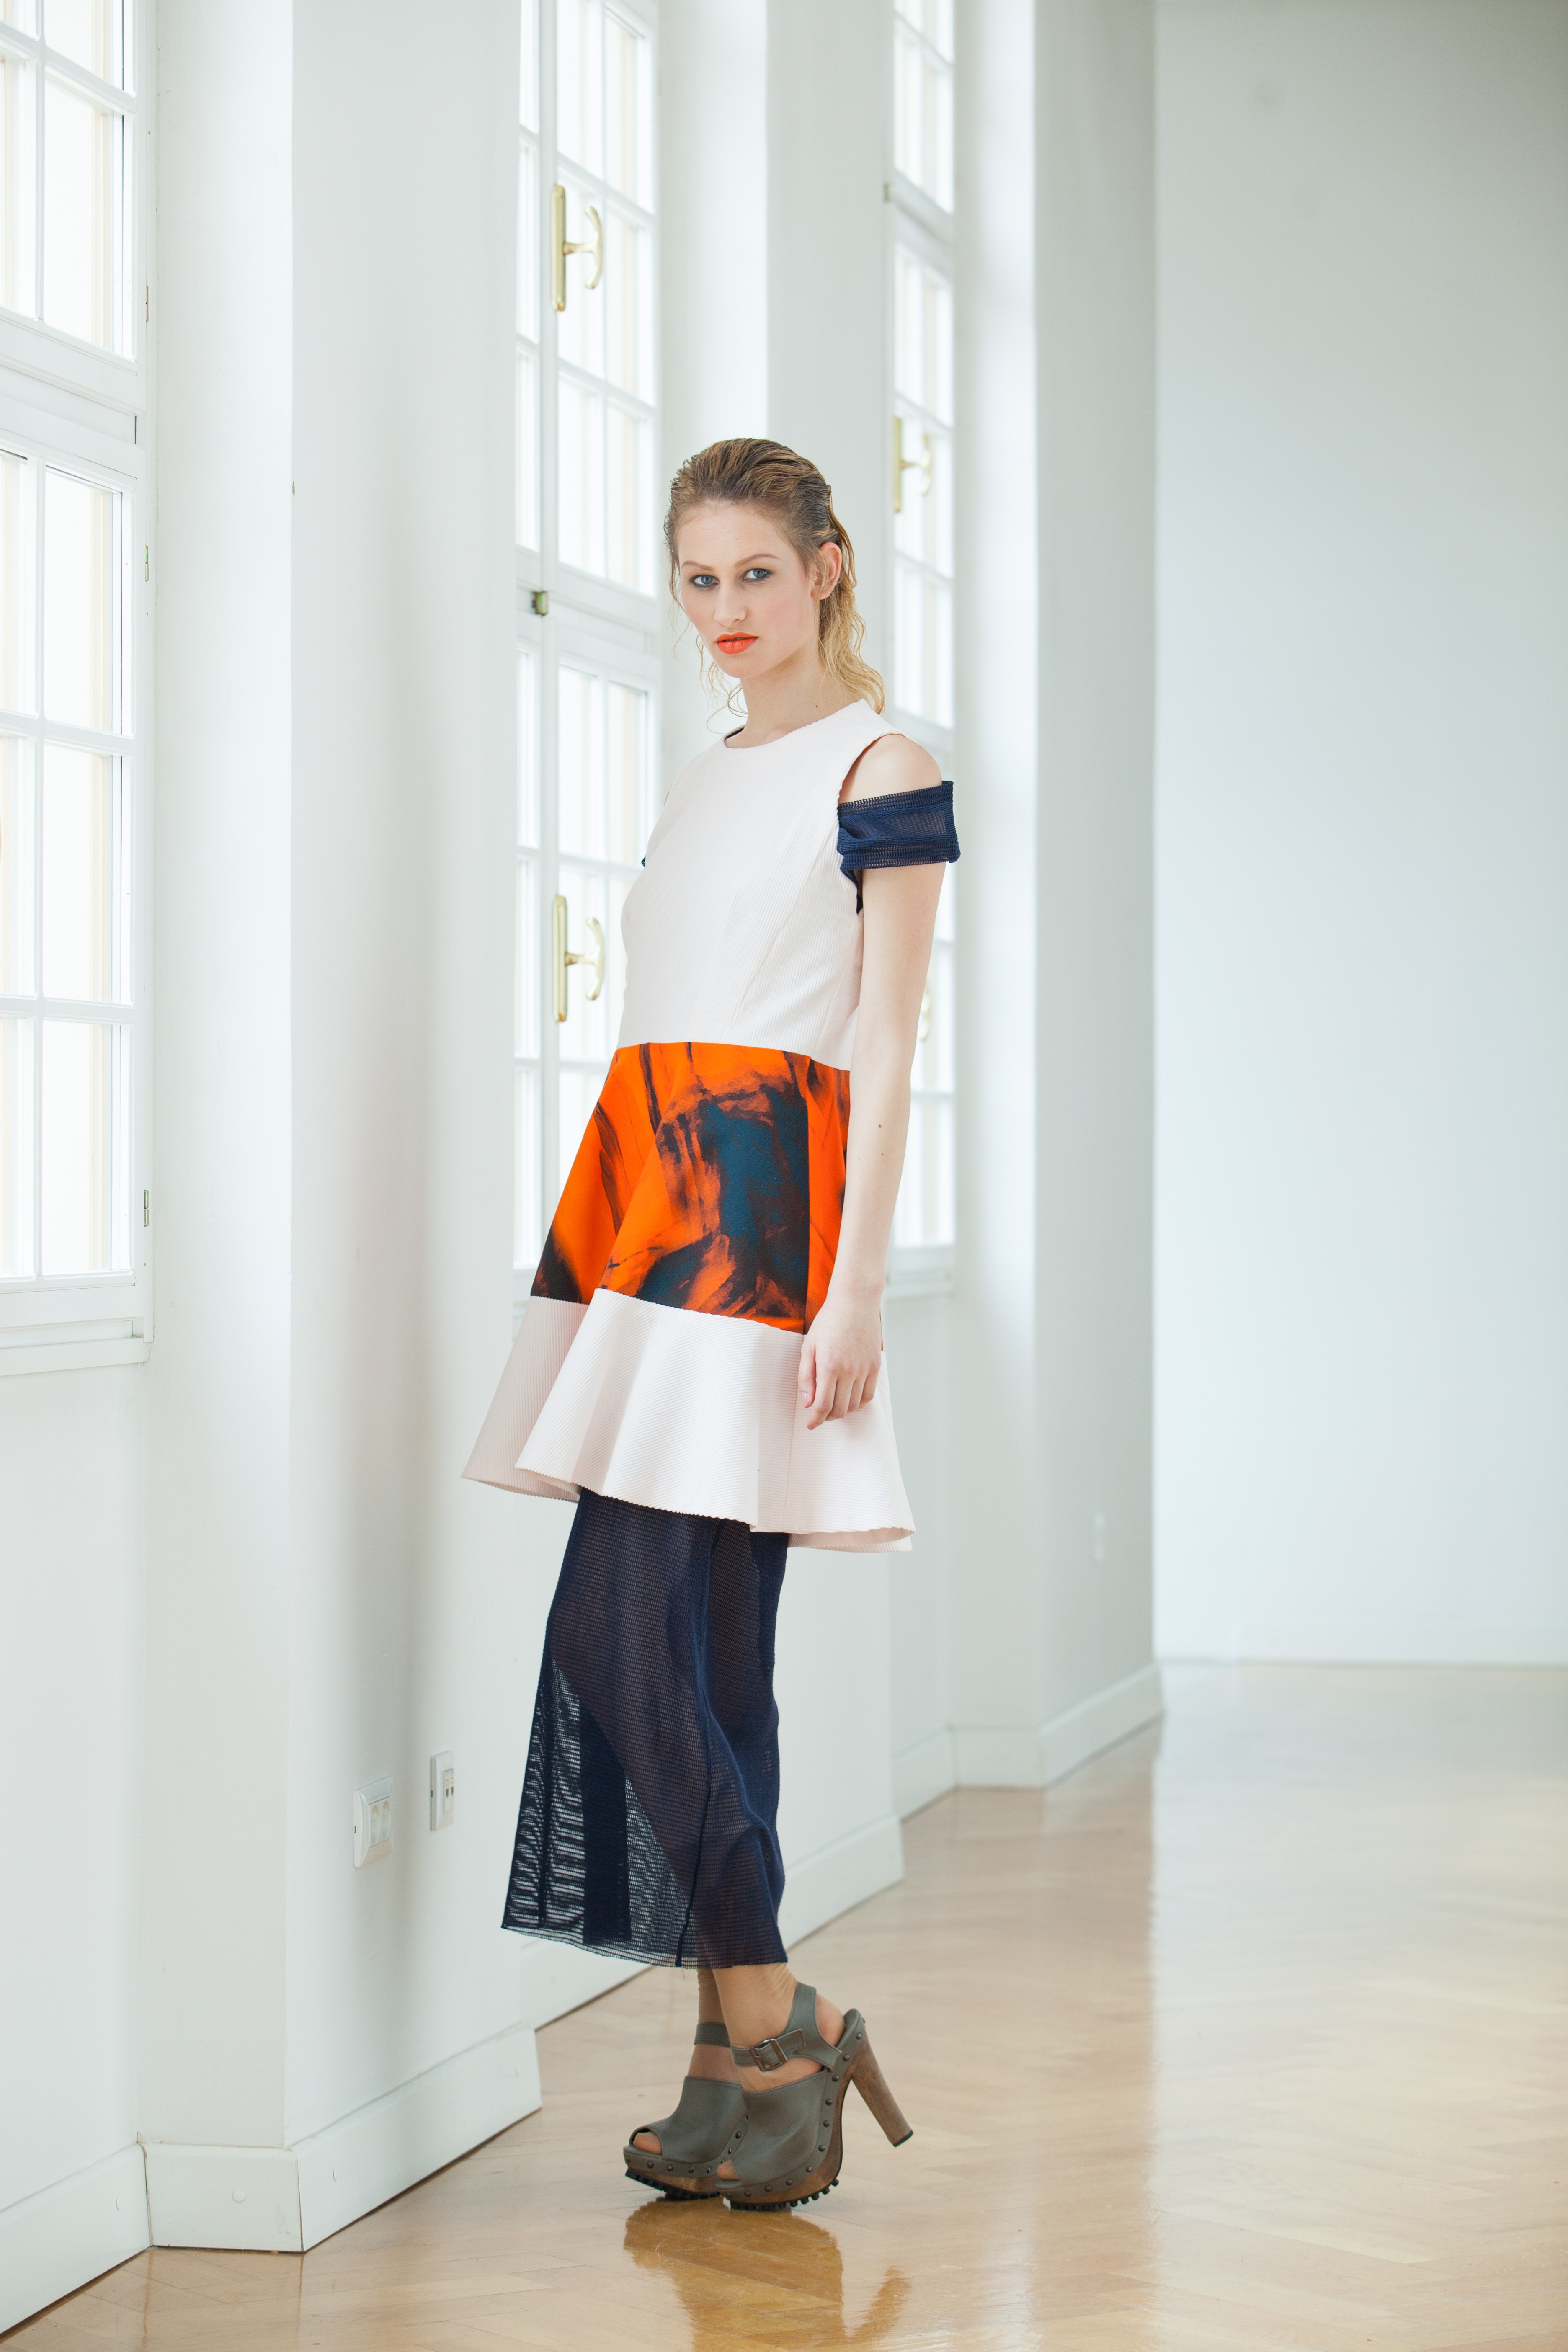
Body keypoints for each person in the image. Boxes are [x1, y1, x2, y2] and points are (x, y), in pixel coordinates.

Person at [465, 437, 959, 2211]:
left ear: (826, 568)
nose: (726, 609)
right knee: (712, 1656)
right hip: (644, 1196)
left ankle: (778, 2019)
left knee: (616, 1634)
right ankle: (727, 2066)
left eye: (757, 571)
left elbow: (886, 1039)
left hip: (757, 1217)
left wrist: (858, 1285)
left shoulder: (883, 766)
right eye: (699, 578)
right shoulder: (700, 775)